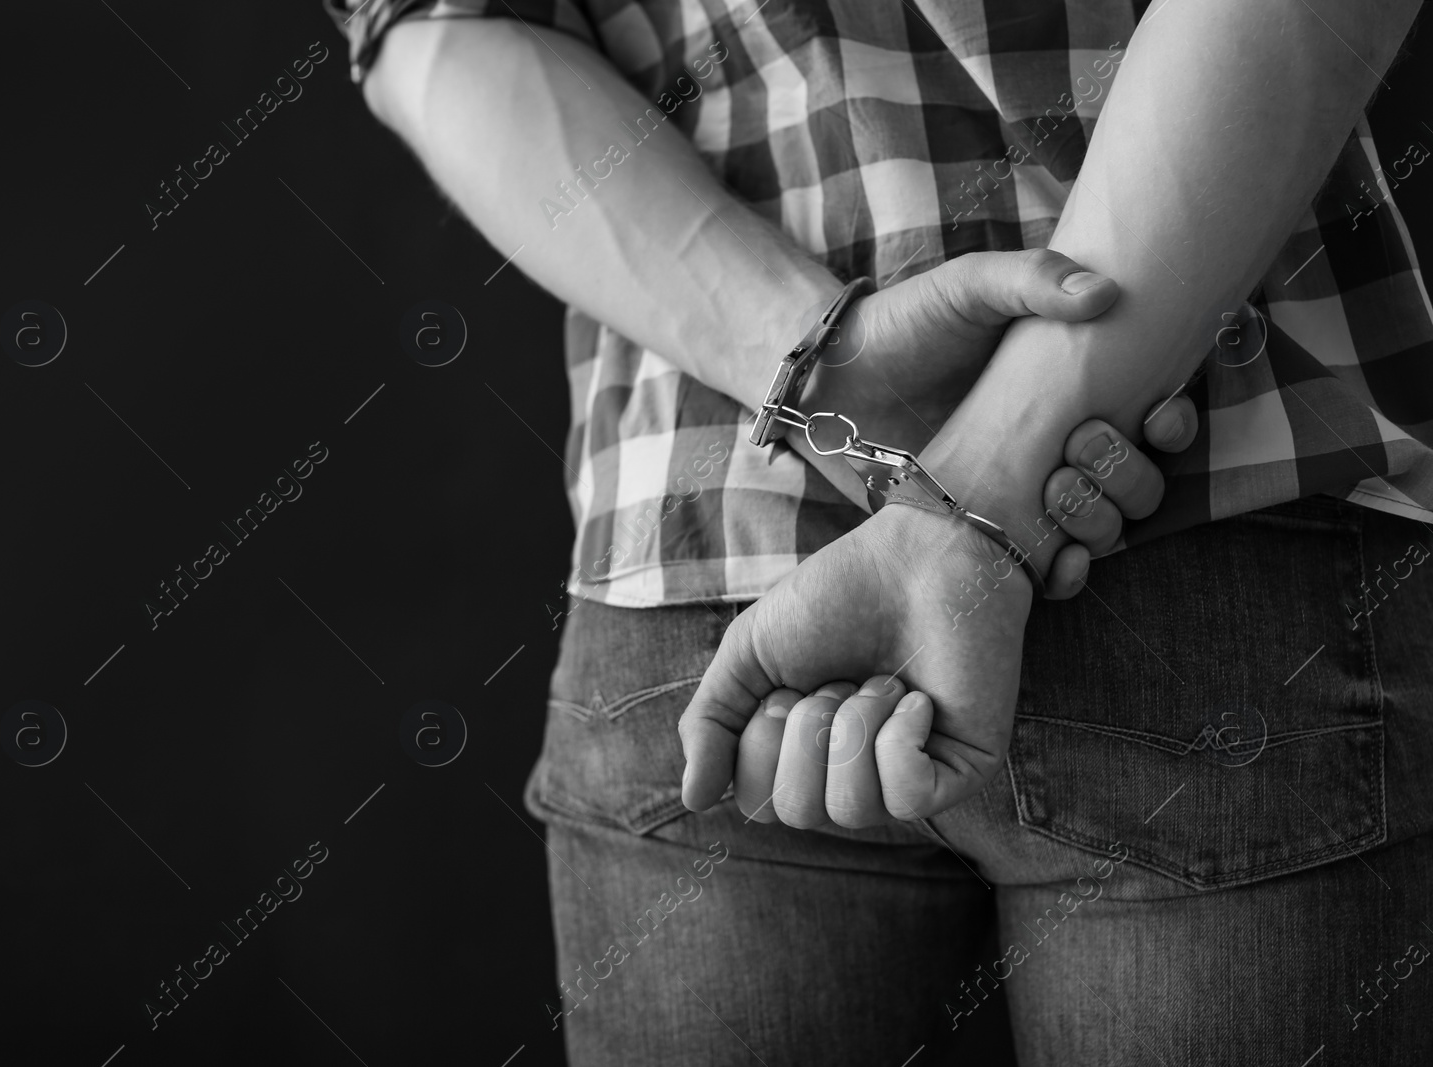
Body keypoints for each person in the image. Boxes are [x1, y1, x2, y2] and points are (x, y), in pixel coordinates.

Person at [338, 0, 1433, 1062]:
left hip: (708, 561)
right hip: (1209, 496)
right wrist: (1000, 469)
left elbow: (434, 32)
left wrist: (818, 364)